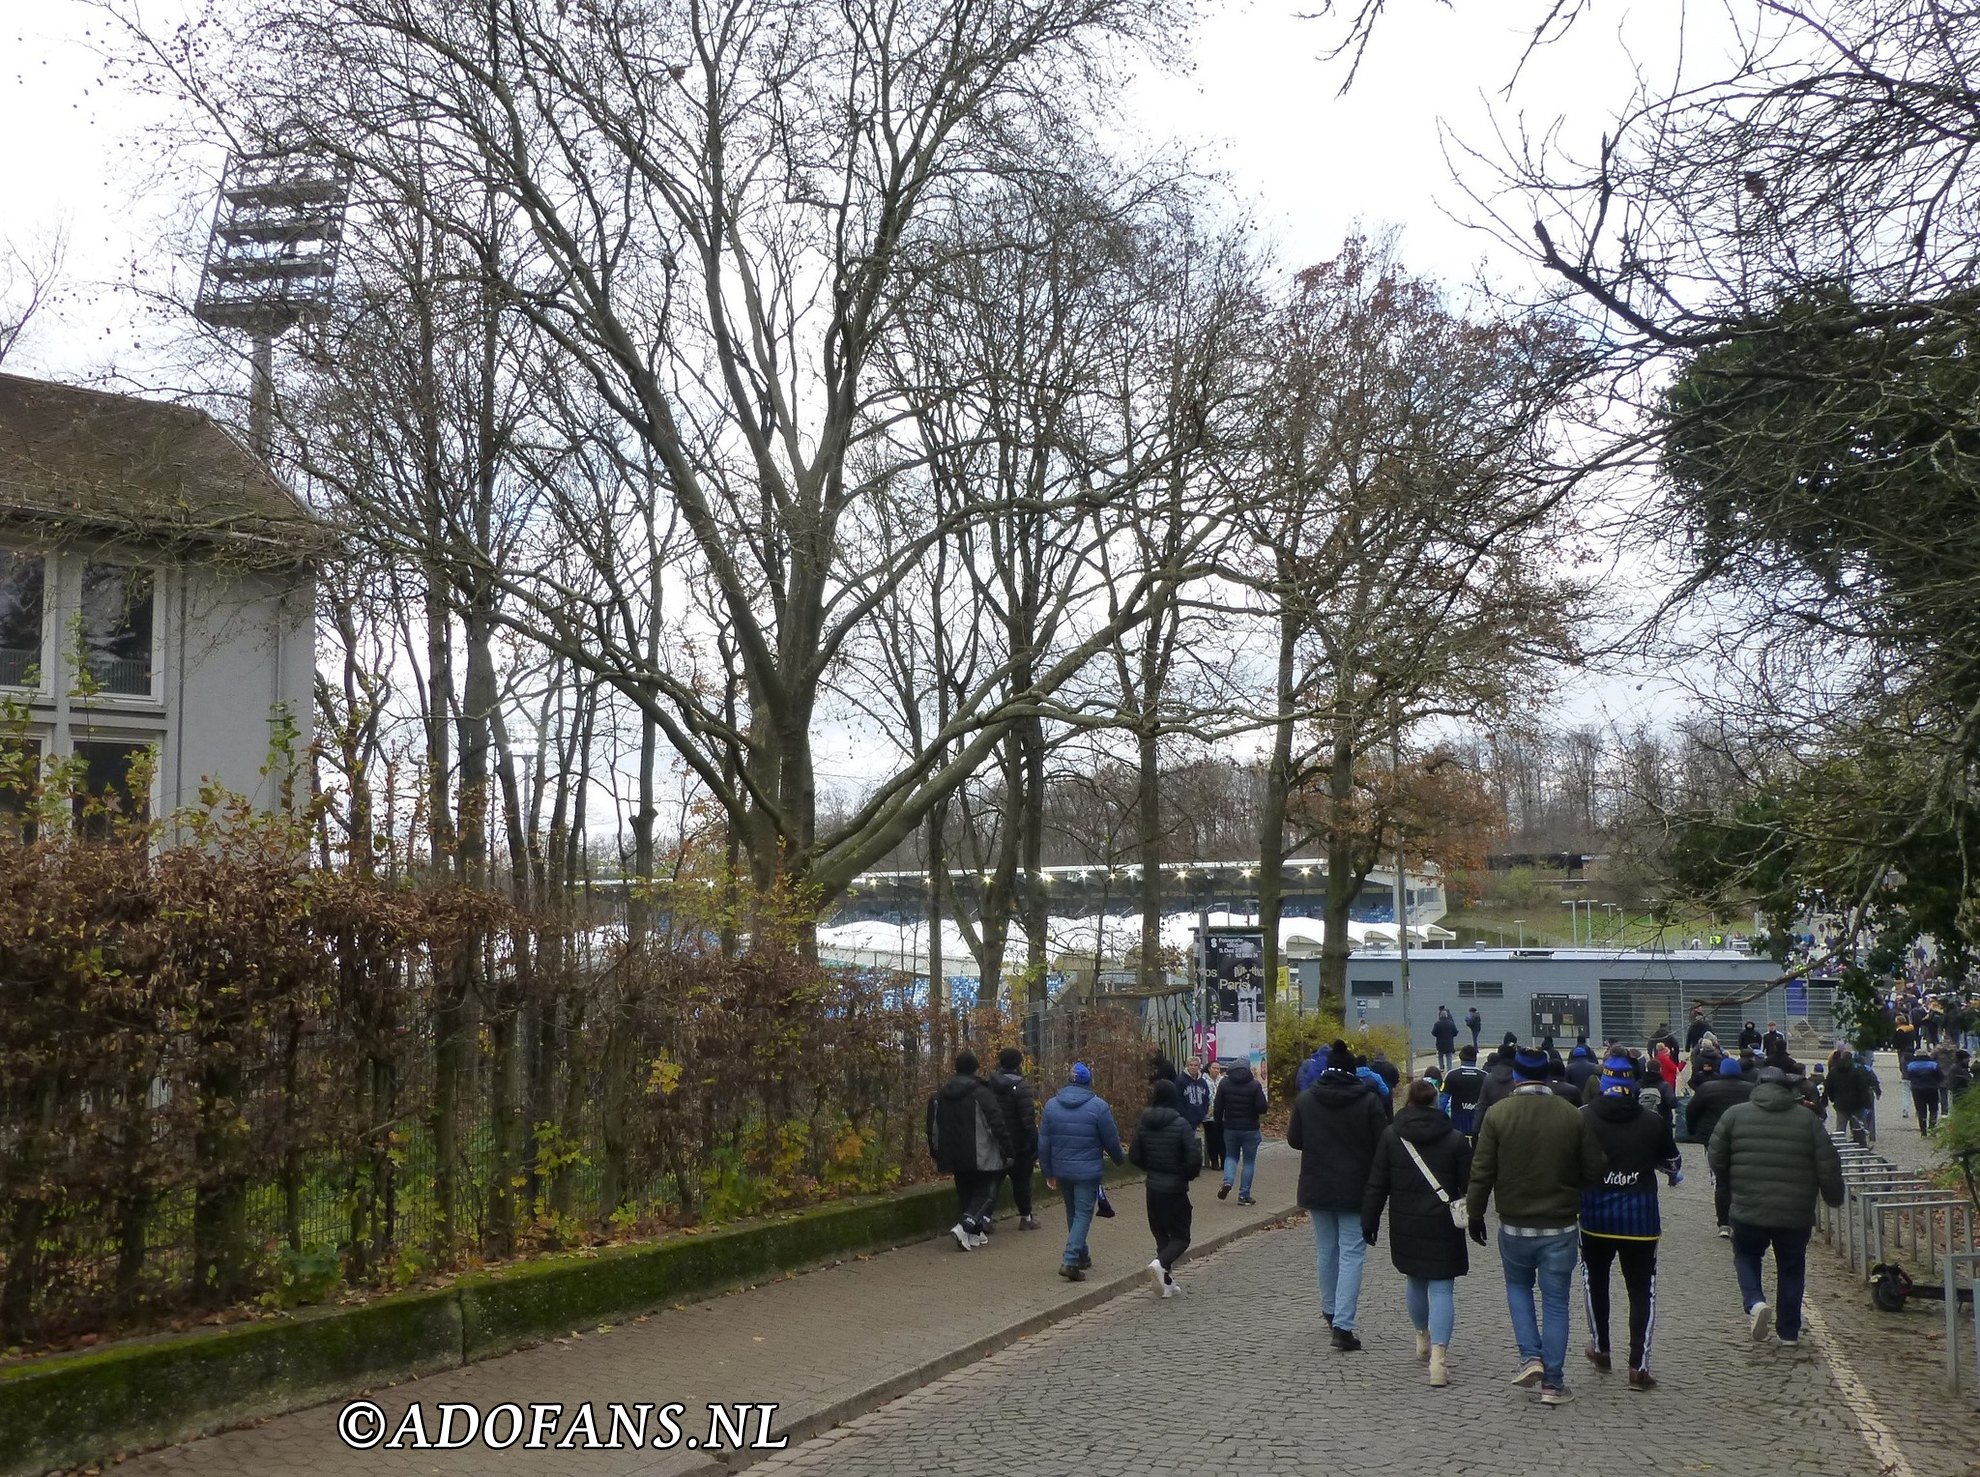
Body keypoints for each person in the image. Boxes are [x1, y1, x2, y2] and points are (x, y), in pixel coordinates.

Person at [1464, 1045, 1607, 1407]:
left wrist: (1475, 1214)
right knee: (1556, 1302)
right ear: (1546, 1076)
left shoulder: (1498, 1115)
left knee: (1518, 1287)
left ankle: (1530, 1357)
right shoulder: (1571, 1115)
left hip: (1514, 1224)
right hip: (1559, 1224)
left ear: (1515, 1076)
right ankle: (1554, 1384)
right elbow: (1594, 1169)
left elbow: (1481, 1172)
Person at [1707, 1065, 1845, 1347]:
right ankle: (1789, 1332)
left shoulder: (1734, 1115)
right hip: (1795, 1213)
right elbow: (1828, 1164)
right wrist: (1834, 1198)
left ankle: (1755, 1302)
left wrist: (1731, 1181)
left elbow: (1716, 1158)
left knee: (1746, 1256)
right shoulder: (1807, 1120)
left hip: (1747, 1207)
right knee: (1792, 1266)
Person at [1363, 1077, 1473, 1387]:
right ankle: (1438, 1359)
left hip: (1406, 1222)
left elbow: (1377, 1183)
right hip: (1443, 1223)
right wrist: (1475, 1221)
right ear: (1435, 1103)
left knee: (1415, 1279)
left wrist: (1369, 1220)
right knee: (1442, 1288)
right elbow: (1470, 1187)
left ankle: (1422, 1336)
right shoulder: (1454, 1139)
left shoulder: (1391, 1136)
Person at [1579, 1056, 1680, 1391]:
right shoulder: (1652, 1122)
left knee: (1595, 1282)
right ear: (1634, 1084)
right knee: (1642, 1292)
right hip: (1640, 1219)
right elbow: (1672, 1163)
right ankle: (1639, 1366)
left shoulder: (1583, 1119)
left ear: (1603, 1083)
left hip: (1594, 1216)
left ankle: (1601, 1347)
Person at [1286, 1040, 1389, 1351]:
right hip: (1355, 1188)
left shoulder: (1306, 1100)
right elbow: (1382, 1143)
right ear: (1351, 1071)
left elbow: (1294, 1140)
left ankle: (1330, 1310)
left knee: (1326, 1251)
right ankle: (1343, 1325)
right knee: (1351, 1254)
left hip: (1317, 1186)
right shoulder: (1368, 1102)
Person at [1037, 1061, 1124, 1281]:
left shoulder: (1051, 1105)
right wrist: (1119, 1159)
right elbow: (1111, 1139)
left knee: (1072, 1212)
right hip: (1088, 1171)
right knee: (1083, 1214)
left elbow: (1044, 1142)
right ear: (1089, 1081)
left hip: (1062, 1169)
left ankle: (1082, 1254)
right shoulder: (1098, 1106)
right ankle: (1070, 1260)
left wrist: (1048, 1171)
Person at [926, 1051, 1014, 1251]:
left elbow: (932, 1126)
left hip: (952, 1152)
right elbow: (997, 1124)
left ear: (956, 1069)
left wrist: (936, 1150)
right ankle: (964, 1226)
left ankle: (974, 1233)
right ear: (976, 1069)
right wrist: (1008, 1150)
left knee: (965, 1192)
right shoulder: (981, 1093)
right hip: (980, 1152)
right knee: (986, 1191)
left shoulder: (941, 1095)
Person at [1128, 1078, 1201, 1296]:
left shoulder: (1143, 1122)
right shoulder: (1181, 1124)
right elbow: (1194, 1157)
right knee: (1181, 1237)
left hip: (1152, 1186)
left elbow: (1134, 1155)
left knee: (1161, 1235)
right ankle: (1160, 1264)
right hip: (1175, 1188)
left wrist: (1150, 1168)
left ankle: (1166, 1281)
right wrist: (1185, 1175)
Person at [1689, 1056, 1755, 1236]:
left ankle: (1724, 1223)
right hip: (1742, 1138)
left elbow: (1692, 1111)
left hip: (1713, 1137)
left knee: (1722, 1181)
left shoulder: (1707, 1089)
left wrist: (1693, 1131)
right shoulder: (1750, 1089)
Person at [989, 1047, 1042, 1230]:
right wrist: (1036, 1144)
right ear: (1019, 1064)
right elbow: (1027, 1121)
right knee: (1022, 1183)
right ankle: (1026, 1217)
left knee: (993, 1182)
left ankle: (985, 1218)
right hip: (1020, 1145)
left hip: (996, 1143)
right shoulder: (1022, 1087)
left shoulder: (990, 1085)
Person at [1213, 1058, 1268, 1205]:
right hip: (1250, 1128)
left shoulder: (1224, 1084)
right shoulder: (1254, 1085)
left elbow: (1218, 1106)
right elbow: (1262, 1107)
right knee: (1249, 1162)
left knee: (1230, 1156)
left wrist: (1218, 1123)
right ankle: (1244, 1195)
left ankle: (1228, 1181)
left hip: (1230, 1127)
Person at [1445, 1046, 1489, 1141]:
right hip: (1479, 1119)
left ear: (1460, 1057)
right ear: (1475, 1058)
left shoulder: (1451, 1075)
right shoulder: (1485, 1076)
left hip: (1457, 1119)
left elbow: (1443, 1100)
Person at [1177, 1055, 1213, 1152]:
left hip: (1199, 1115)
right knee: (1186, 1140)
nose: (1193, 1067)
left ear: (1199, 1067)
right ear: (1187, 1066)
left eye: (1195, 1065)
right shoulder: (1180, 1081)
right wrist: (1183, 1113)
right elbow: (1178, 1099)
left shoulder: (1202, 1082)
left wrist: (1204, 1111)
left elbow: (1206, 1098)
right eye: (1191, 1065)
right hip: (1185, 1116)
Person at [1905, 1050, 1945, 1133]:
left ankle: (1923, 1129)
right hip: (1932, 1088)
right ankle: (1932, 1126)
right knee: (1933, 1108)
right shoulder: (1933, 1064)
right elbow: (1941, 1076)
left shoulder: (1911, 1065)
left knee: (1921, 1109)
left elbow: (1908, 1076)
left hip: (1917, 1089)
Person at [1203, 1061, 1226, 1169]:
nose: (1216, 1070)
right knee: (1211, 1140)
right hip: (1208, 1115)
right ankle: (1214, 1161)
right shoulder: (1203, 1080)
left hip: (1222, 1115)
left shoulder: (1223, 1080)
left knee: (1223, 1139)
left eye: (1218, 1068)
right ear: (1209, 1068)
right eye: (1214, 1068)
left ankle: (1224, 1162)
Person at [1433, 1007, 1460, 1073]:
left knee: (1440, 1056)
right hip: (1449, 1042)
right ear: (1447, 1016)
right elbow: (1455, 1033)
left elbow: (1433, 1033)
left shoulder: (1437, 1024)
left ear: (1440, 1016)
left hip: (1440, 1043)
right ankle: (1449, 1069)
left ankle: (1441, 1068)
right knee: (1449, 1056)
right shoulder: (1451, 1023)